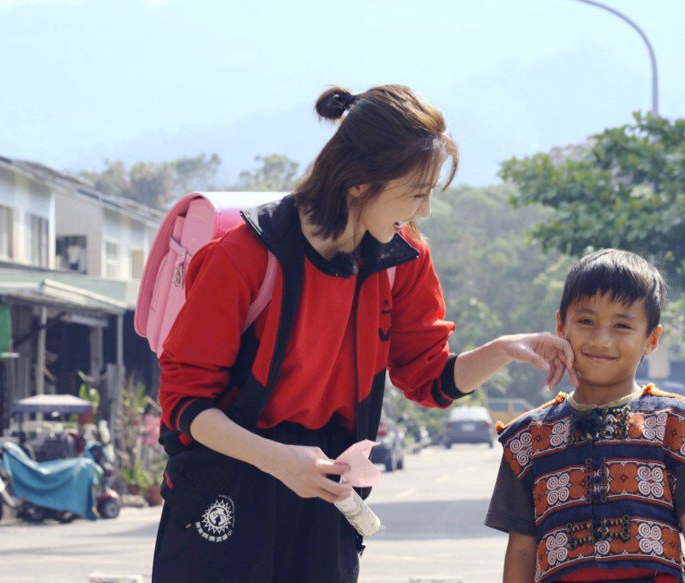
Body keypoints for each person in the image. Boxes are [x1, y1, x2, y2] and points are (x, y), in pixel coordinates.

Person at [152, 84, 575, 582]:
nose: (424, 212)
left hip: (326, 494)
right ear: (359, 182)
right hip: (227, 483)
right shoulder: (244, 254)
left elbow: (430, 378)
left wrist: (503, 350)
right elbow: (185, 403)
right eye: (416, 194)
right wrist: (278, 461)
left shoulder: (405, 259)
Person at [485, 249, 685, 583]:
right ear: (561, 325)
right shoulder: (528, 439)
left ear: (651, 339)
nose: (602, 339)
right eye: (586, 321)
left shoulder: (678, 427)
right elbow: (522, 549)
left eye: (622, 325)